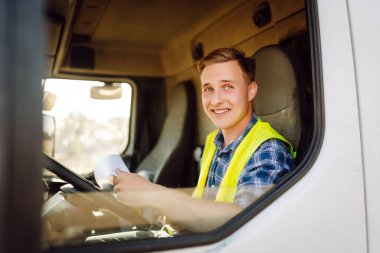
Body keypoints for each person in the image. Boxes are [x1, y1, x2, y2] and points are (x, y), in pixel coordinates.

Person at [113, 48, 295, 232]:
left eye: (228, 87)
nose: (215, 100)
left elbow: (243, 221)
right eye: (208, 89)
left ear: (250, 91)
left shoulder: (268, 150)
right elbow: (207, 209)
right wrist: (180, 218)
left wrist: (153, 194)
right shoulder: (213, 142)